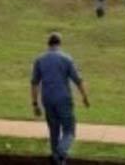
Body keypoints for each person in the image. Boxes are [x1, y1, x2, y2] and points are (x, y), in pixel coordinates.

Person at [31, 32, 90, 165]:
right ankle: (60, 152)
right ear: (59, 44)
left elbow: (34, 83)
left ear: (48, 44)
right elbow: (78, 80)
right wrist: (84, 97)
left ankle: (57, 159)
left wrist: (35, 104)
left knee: (54, 130)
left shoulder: (39, 60)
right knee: (69, 130)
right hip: (63, 98)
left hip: (47, 99)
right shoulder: (66, 59)